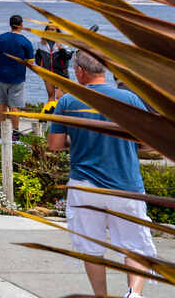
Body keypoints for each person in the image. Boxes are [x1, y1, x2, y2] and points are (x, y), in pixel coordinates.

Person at [48, 50, 154, 298]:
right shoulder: (129, 99)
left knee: (91, 247)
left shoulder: (68, 101)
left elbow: (54, 144)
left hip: (84, 185)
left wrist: (76, 142)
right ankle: (133, 295)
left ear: (81, 71)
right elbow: (147, 141)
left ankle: (100, 295)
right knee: (135, 245)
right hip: (125, 184)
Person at [0, 14, 36, 140]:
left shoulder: (1, 38)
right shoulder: (25, 41)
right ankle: (15, 131)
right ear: (21, 25)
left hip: (1, 75)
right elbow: (31, 61)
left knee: (2, 103)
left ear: (10, 24)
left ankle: (2, 130)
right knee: (14, 106)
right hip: (17, 77)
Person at [34, 25, 72, 104]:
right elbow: (37, 57)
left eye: (52, 29)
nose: (50, 31)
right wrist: (41, 65)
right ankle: (50, 114)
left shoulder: (63, 43)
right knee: (51, 97)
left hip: (61, 74)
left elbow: (68, 57)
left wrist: (61, 49)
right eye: (48, 29)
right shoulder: (41, 43)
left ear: (57, 31)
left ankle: (61, 115)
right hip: (48, 74)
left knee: (60, 97)